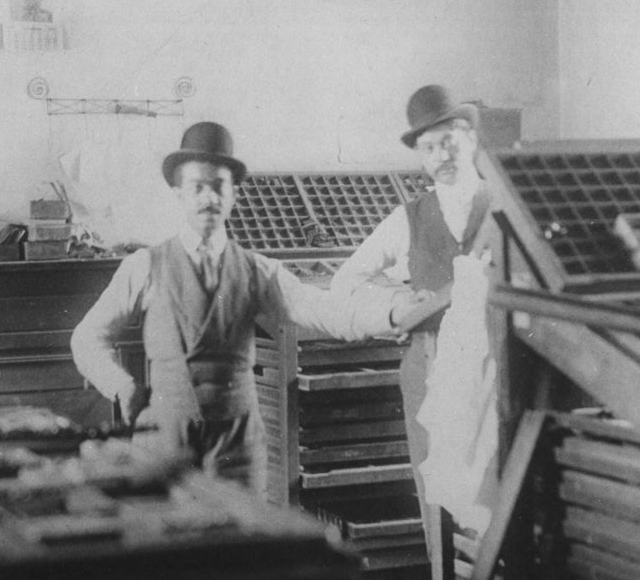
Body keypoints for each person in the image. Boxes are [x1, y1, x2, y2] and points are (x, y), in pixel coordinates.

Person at [71, 121, 411, 494]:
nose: (208, 199)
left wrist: (393, 314)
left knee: (240, 545)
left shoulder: (258, 271)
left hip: (237, 447)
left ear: (234, 194)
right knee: (167, 547)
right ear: (178, 194)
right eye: (197, 187)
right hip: (163, 440)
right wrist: (120, 385)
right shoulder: (144, 267)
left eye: (219, 187)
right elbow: (87, 337)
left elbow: (324, 310)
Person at [329, 84, 496, 560]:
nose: (441, 154)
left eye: (449, 141)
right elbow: (347, 282)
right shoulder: (407, 220)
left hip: (496, 372)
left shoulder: (503, 208)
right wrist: (400, 300)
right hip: (430, 370)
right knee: (439, 491)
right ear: (420, 158)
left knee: (495, 490)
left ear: (471, 141)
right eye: (429, 147)